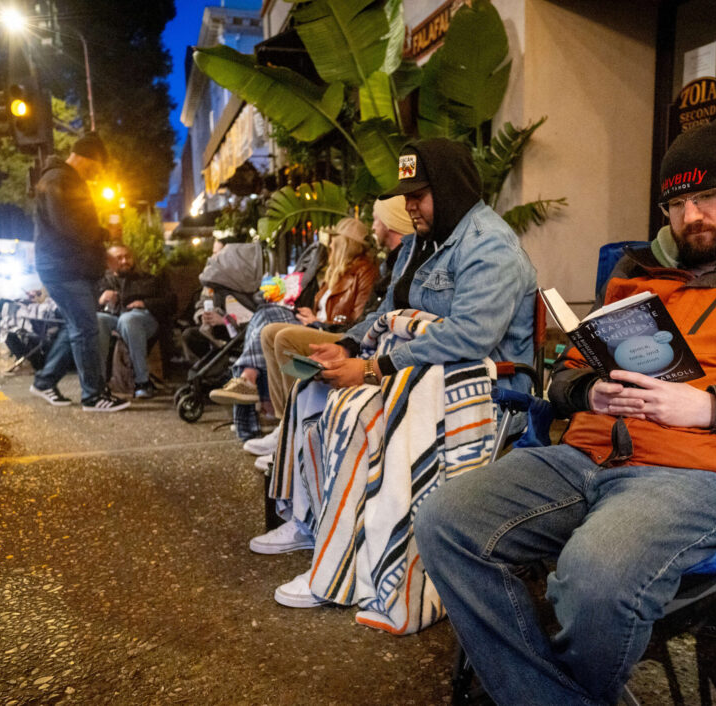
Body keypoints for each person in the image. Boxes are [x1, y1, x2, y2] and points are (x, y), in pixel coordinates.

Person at [412, 120, 716, 704]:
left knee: (595, 578)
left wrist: (712, 408)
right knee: (444, 520)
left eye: (708, 198)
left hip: (704, 472)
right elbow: (567, 373)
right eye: (677, 204)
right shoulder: (638, 268)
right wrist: (588, 392)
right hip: (584, 453)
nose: (691, 218)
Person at [251, 138, 538, 620]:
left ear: (449, 190)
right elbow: (388, 314)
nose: (409, 206)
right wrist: (347, 345)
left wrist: (371, 368)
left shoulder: (490, 247)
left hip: (485, 399)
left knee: (355, 411)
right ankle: (313, 524)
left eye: (418, 195)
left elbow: (469, 338)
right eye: (406, 196)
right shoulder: (426, 241)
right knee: (314, 387)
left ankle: (339, 572)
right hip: (427, 377)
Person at [246, 196, 413, 465]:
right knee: (270, 330)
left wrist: (322, 325)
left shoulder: (368, 270)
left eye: (376, 219)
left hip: (347, 333)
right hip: (344, 331)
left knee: (284, 337)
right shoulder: (346, 269)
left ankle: (295, 430)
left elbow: (363, 318)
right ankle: (286, 423)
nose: (330, 242)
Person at [208, 217, 378, 436]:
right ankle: (280, 421)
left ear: (345, 244)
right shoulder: (335, 273)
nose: (330, 246)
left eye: (334, 241)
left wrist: (319, 322)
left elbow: (358, 321)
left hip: (334, 333)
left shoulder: (364, 272)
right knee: (267, 324)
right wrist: (314, 315)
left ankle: (249, 381)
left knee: (268, 318)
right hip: (317, 325)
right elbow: (328, 309)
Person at [29, 132, 129, 412]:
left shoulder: (60, 177)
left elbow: (71, 225)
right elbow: (71, 226)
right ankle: (93, 396)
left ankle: (44, 381)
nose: (95, 174)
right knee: (85, 328)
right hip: (63, 267)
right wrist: (103, 233)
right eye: (96, 167)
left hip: (64, 265)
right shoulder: (60, 179)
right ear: (88, 158)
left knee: (78, 325)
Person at [96, 244, 171, 399]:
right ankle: (99, 383)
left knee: (128, 319)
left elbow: (170, 301)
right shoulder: (102, 282)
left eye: (127, 256)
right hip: (114, 318)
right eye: (119, 258)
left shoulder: (147, 279)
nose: (125, 261)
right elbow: (87, 309)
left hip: (142, 319)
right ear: (109, 263)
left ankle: (142, 382)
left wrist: (145, 304)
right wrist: (101, 300)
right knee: (99, 320)